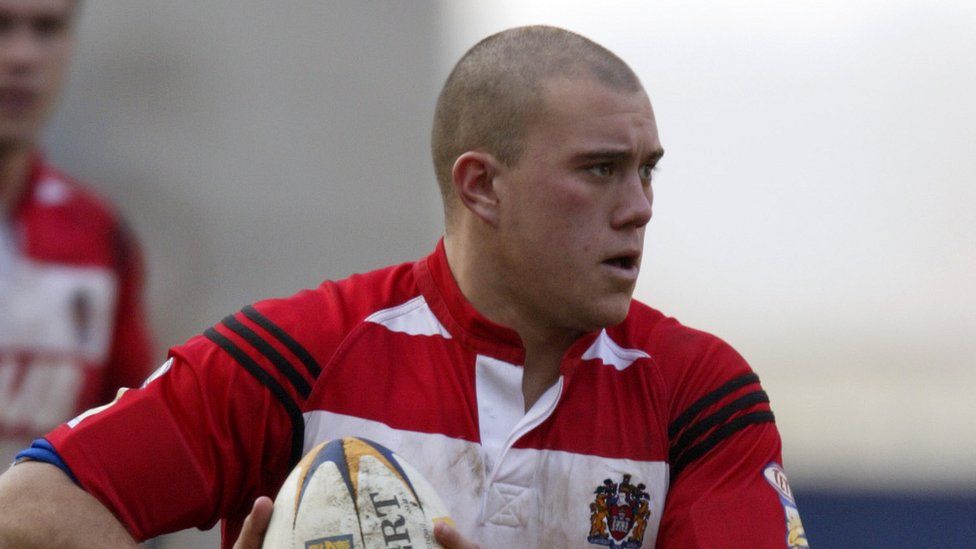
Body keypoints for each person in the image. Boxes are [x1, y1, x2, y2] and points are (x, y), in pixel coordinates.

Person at [0, 25, 807, 548]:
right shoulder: (301, 352)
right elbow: (28, 509)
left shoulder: (702, 394)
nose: (639, 209)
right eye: (600, 170)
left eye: (646, 171)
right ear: (482, 187)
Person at [0, 0, 153, 467]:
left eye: (48, 28)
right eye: (0, 25)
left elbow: (129, 454)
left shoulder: (100, 238)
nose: (22, 56)